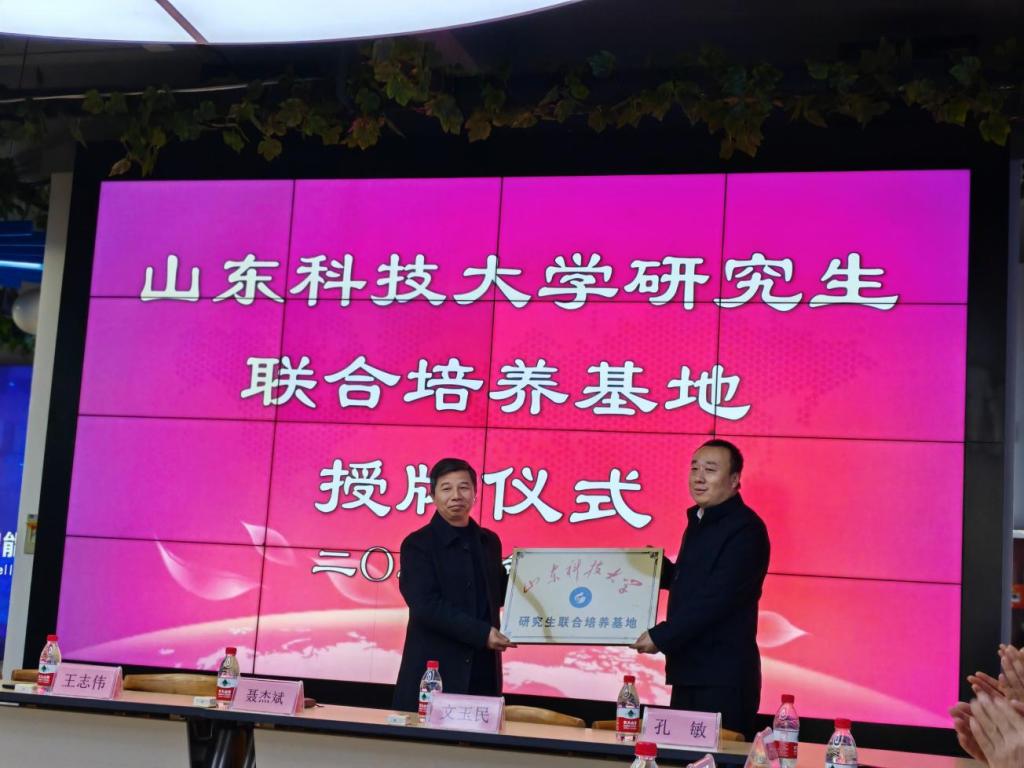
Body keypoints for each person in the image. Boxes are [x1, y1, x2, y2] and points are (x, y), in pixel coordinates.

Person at [630, 439, 770, 739]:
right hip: (689, 671)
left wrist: (662, 636)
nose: (699, 477)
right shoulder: (699, 521)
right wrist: (657, 570)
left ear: (734, 479)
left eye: (710, 469)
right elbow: (696, 584)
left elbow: (718, 598)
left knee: (714, 757)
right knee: (682, 756)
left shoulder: (746, 529)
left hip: (722, 678)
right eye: (694, 468)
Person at [392, 457, 515, 711]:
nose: (456, 495)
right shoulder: (417, 544)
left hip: (482, 671)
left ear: (475, 494)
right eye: (446, 488)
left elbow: (500, 593)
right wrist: (482, 634)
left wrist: (538, 583)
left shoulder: (489, 542)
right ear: (433, 496)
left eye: (464, 487)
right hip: (435, 672)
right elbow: (425, 606)